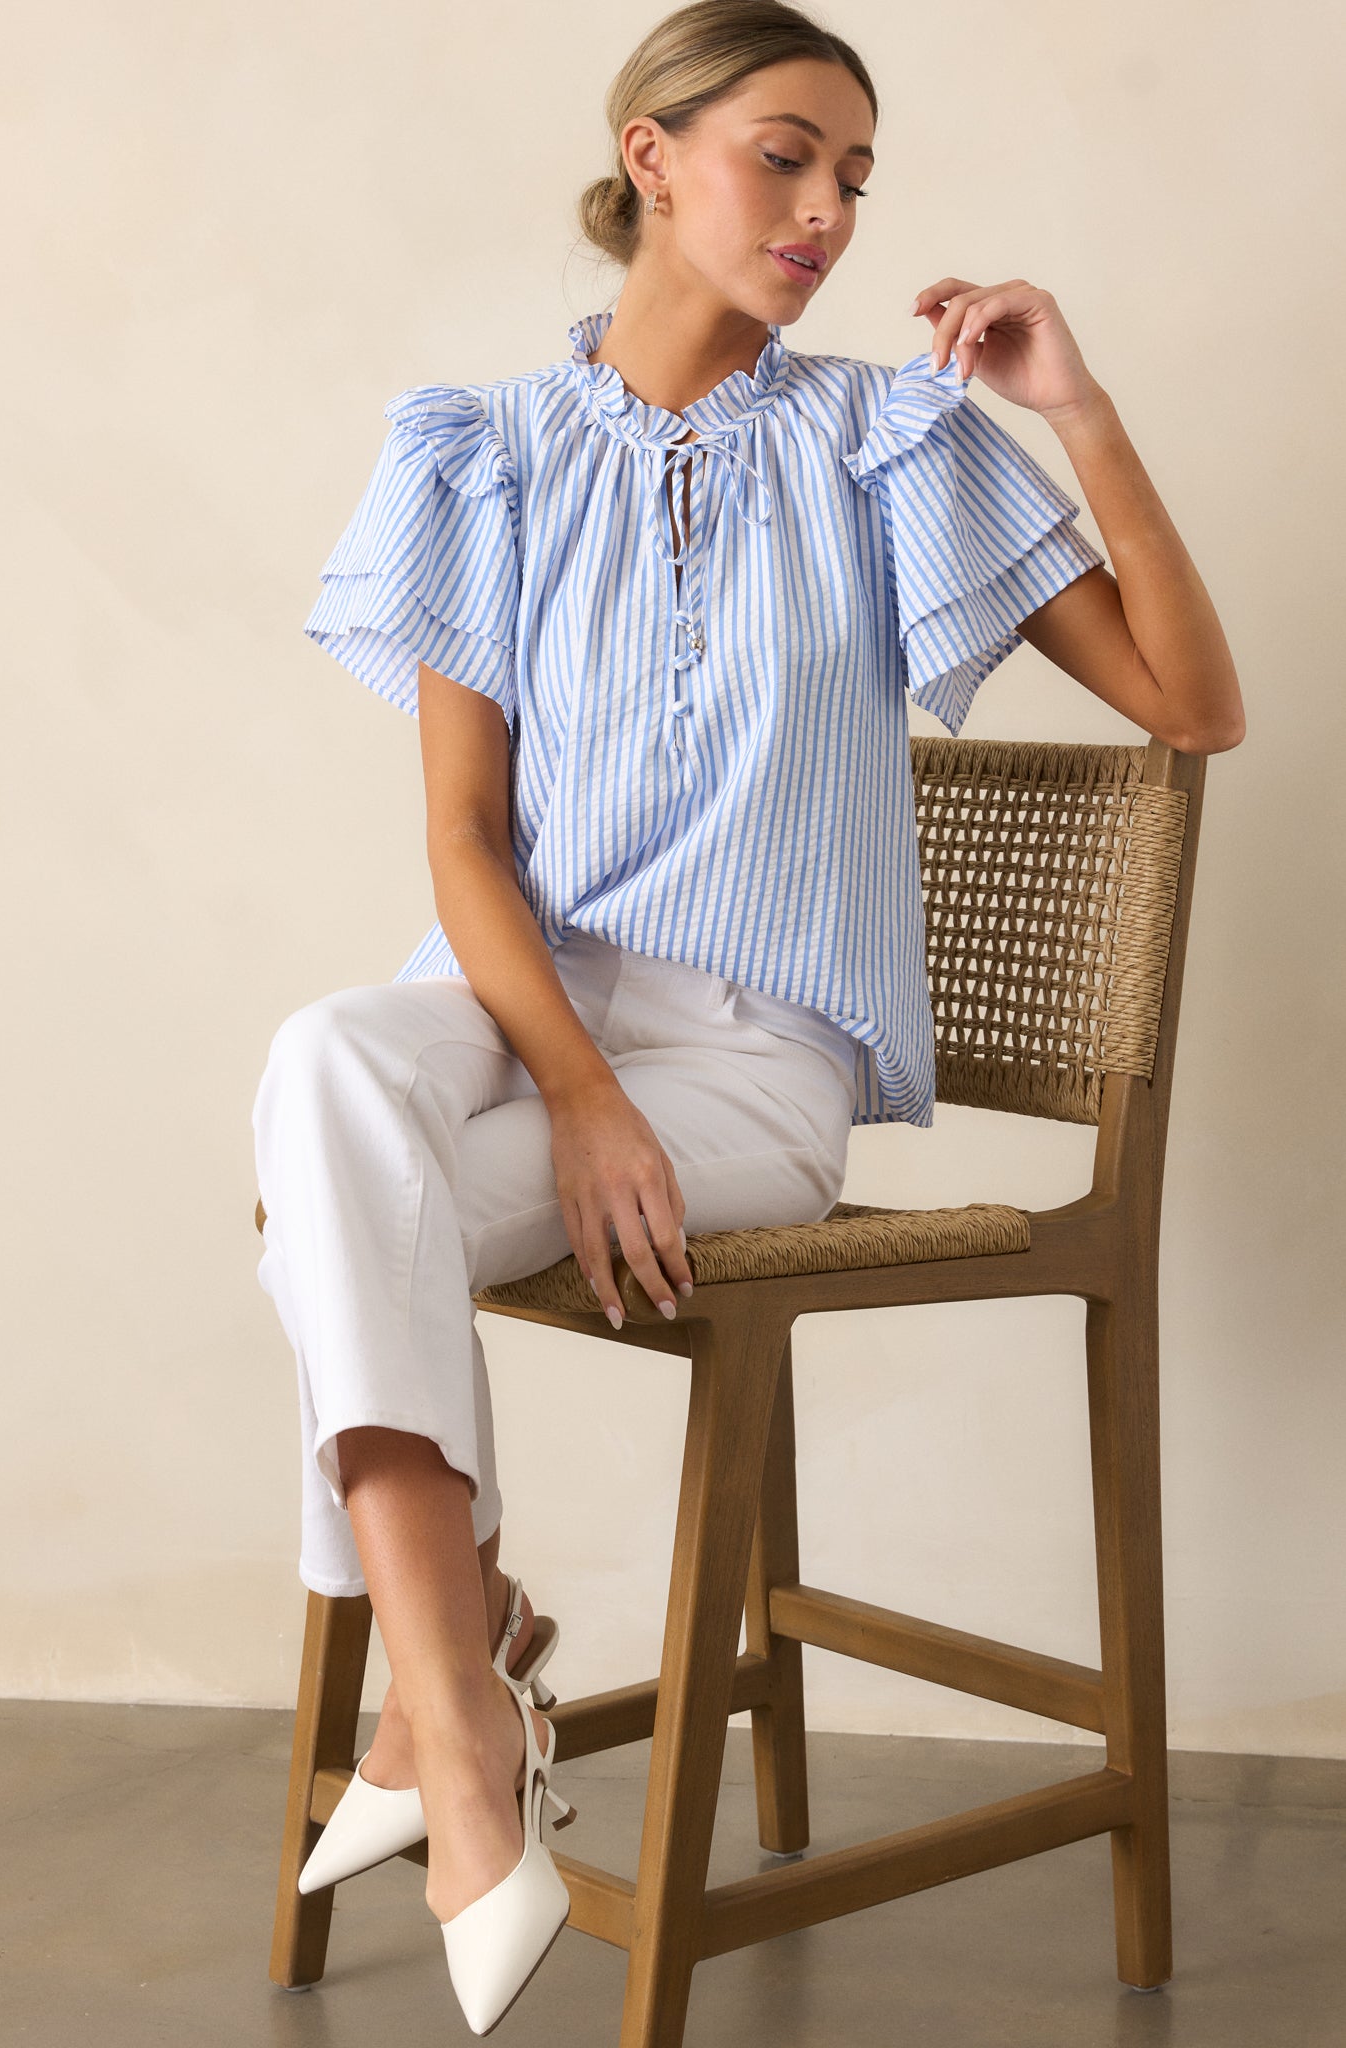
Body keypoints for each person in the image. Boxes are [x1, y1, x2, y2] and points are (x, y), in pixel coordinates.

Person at [252, 2, 1245, 2031]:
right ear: (650, 156)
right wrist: (582, 1085)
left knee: (333, 1192)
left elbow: (1186, 703)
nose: (827, 210)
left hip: (752, 1066)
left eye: (855, 177)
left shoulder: (886, 440)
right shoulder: (481, 451)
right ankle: (465, 1705)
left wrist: (1075, 407)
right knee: (322, 1065)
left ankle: (444, 1706)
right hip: (530, 1012)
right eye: (784, 155)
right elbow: (460, 844)